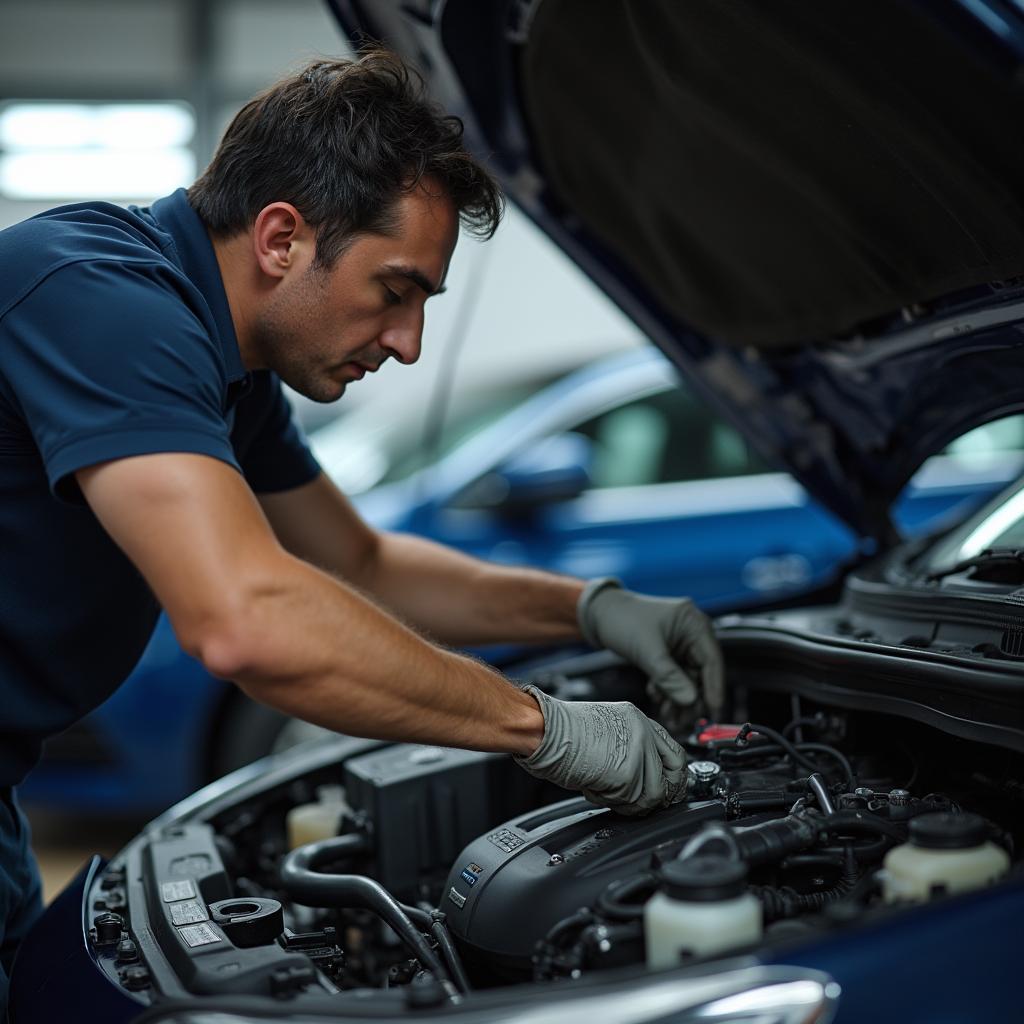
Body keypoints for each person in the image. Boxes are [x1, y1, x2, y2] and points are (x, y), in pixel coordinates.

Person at [0, 51, 723, 1006]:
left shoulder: (234, 367)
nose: (409, 343)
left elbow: (359, 561)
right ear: (281, 238)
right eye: (396, 289)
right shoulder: (98, 295)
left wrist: (590, 607)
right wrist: (545, 729)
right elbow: (246, 620)